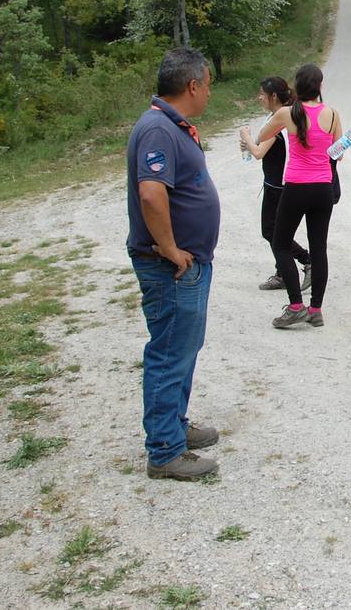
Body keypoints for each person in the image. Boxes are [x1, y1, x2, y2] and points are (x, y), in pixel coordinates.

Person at [126, 48, 222, 481]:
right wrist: (169, 247)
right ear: (192, 85)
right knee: (169, 353)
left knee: (182, 349)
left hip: (187, 262)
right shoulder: (158, 129)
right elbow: (151, 193)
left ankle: (175, 427)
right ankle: (164, 450)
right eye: (208, 84)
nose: (209, 92)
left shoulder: (169, 125)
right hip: (172, 266)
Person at [257, 64, 340, 329]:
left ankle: (295, 306)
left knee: (280, 242)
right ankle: (315, 309)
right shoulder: (332, 114)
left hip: (296, 186)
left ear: (296, 87)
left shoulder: (285, 113)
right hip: (323, 188)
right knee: (319, 248)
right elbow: (338, 152)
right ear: (320, 87)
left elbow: (261, 137)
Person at [238, 77, 312, 293]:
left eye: (262, 93)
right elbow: (261, 147)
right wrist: (249, 144)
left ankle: (306, 260)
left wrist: (247, 138)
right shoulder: (280, 115)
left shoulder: (280, 120)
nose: (259, 97)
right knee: (275, 231)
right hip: (276, 183)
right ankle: (282, 271)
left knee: (272, 232)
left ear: (273, 96)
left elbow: (259, 152)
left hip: (279, 187)